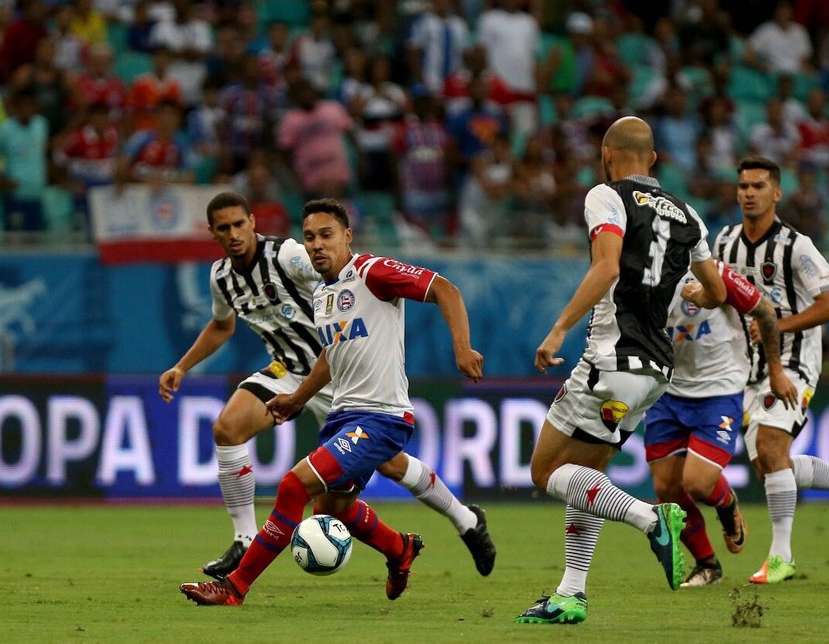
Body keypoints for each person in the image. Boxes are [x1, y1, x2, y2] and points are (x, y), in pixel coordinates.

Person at [160, 191, 495, 582]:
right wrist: (182, 366)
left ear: (253, 222)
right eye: (224, 228)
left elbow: (344, 269)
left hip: (341, 374)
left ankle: (465, 518)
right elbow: (221, 326)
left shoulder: (290, 256)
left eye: (239, 224)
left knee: (382, 467)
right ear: (212, 233)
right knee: (227, 428)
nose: (233, 234)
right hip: (290, 371)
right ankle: (245, 537)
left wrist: (354, 271)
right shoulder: (221, 277)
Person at [514, 116, 728, 625]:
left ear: (608, 154)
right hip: (655, 371)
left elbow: (607, 267)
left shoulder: (606, 197)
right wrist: (699, 294)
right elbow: (717, 292)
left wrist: (559, 329)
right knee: (586, 476)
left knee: (546, 471)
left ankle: (650, 518)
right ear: (653, 159)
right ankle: (571, 594)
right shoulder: (689, 217)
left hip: (611, 357)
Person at [710, 155, 829, 585]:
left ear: (777, 192)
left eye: (758, 186)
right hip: (744, 364)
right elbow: (716, 293)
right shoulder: (726, 242)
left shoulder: (797, 246)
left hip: (793, 362)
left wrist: (775, 324)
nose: (749, 193)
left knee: (771, 448)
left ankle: (782, 556)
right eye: (743, 186)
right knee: (771, 465)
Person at [644, 262, 798, 588]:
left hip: (719, 390)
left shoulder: (717, 274)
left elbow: (765, 313)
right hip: (667, 391)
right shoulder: (644, 274)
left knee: (698, 483)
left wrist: (775, 371)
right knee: (666, 490)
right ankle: (707, 565)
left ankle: (728, 507)